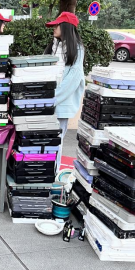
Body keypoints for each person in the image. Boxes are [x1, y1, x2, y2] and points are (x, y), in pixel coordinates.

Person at [44, 12, 85, 163]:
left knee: (55, 143)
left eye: (57, 25)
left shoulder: (77, 50)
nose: (54, 28)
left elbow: (72, 81)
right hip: (47, 102)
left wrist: (51, 99)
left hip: (59, 105)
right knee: (43, 143)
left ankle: (53, 174)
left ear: (66, 27)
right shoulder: (53, 46)